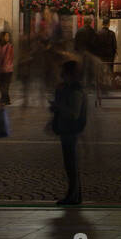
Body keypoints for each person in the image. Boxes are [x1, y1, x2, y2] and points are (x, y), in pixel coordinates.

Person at [50, 59, 87, 205]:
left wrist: (58, 106)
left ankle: (73, 196)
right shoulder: (67, 87)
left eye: (63, 71)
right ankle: (75, 195)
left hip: (71, 130)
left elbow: (74, 113)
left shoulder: (76, 90)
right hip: (66, 129)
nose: (61, 74)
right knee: (70, 164)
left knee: (71, 164)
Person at [0, 30, 15, 106]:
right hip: (0, 69)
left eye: (8, 36)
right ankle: (6, 100)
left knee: (5, 86)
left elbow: (9, 58)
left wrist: (4, 66)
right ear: (2, 37)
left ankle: (4, 100)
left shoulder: (9, 46)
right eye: (6, 36)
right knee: (1, 85)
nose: (7, 37)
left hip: (7, 69)